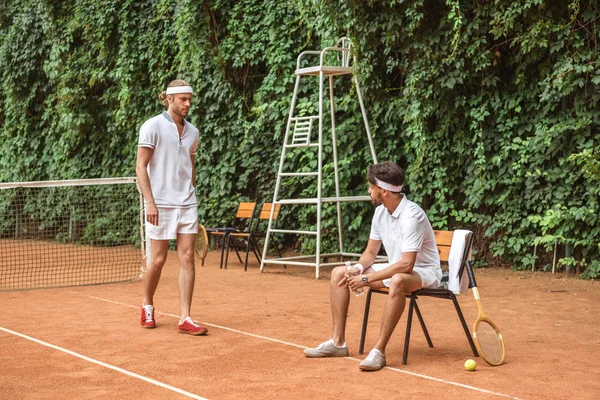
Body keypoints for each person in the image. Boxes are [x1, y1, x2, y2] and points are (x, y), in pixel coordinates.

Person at [304, 161, 441, 370]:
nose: (369, 191)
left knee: (397, 280)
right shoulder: (380, 213)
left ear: (384, 191)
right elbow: (370, 253)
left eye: (372, 187)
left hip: (423, 272)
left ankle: (379, 351)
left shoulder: (411, 216)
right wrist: (357, 270)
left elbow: (406, 265)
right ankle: (338, 342)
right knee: (338, 272)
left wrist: (366, 279)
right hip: (397, 268)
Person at [136, 79, 208, 335]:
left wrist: (190, 190)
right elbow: (140, 167)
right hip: (160, 204)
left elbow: (190, 164)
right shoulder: (152, 127)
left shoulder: (194, 132)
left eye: (190, 99)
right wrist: (150, 202)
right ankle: (147, 304)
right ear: (169, 99)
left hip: (187, 203)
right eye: (183, 100)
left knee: (187, 258)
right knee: (158, 259)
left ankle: (185, 317)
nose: (188, 104)